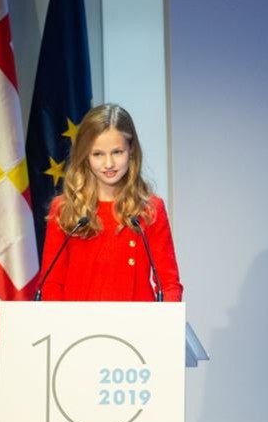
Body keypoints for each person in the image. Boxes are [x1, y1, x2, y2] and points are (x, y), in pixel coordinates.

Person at [38, 103, 183, 302]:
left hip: (136, 328)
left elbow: (169, 284)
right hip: (77, 329)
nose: (108, 164)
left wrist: (165, 323)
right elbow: (51, 283)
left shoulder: (149, 209)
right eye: (98, 154)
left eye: (117, 152)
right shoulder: (64, 209)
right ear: (85, 156)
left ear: (131, 150)